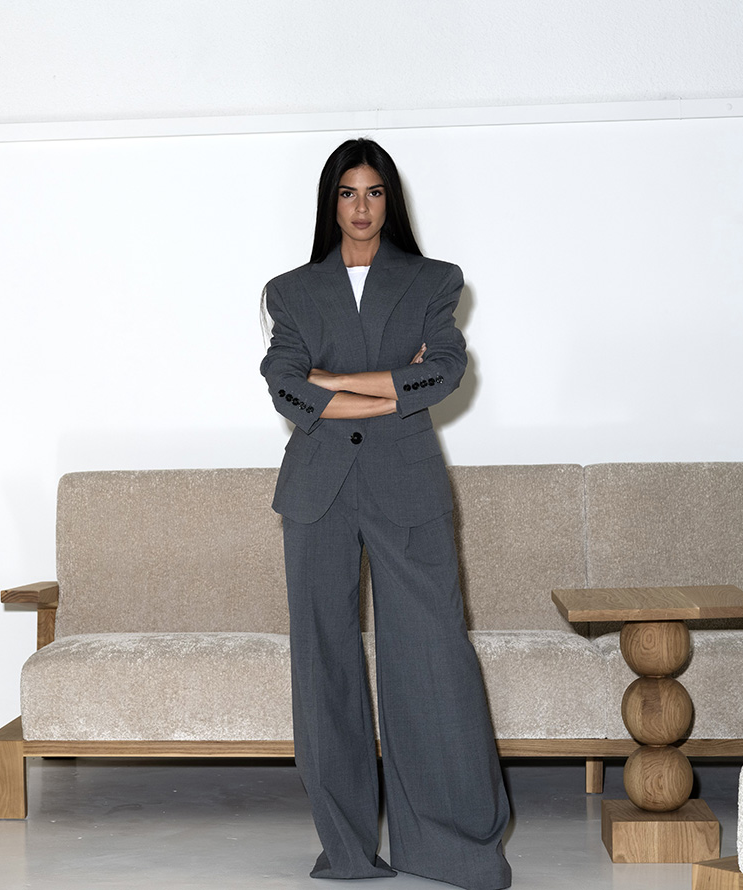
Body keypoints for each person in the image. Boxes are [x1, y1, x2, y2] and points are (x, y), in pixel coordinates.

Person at [260, 138, 511, 889]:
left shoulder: (435, 279)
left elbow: (445, 371)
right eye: (347, 193)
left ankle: (452, 848)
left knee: (432, 657)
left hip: (408, 487)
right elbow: (285, 385)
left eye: (373, 192)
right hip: (317, 493)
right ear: (330, 203)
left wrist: (337, 386)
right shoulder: (291, 291)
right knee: (324, 663)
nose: (361, 207)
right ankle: (345, 849)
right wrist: (392, 387)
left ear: (389, 200)